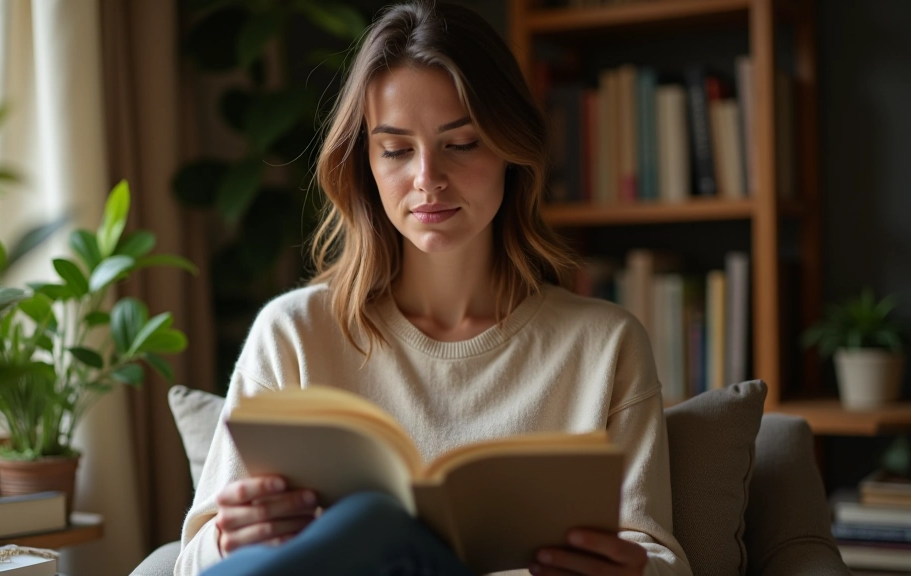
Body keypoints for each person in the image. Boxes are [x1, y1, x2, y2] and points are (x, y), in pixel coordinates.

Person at [176, 2, 692, 575]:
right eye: (396, 150)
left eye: (462, 143)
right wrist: (229, 539)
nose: (427, 179)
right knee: (373, 525)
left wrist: (635, 570)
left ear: (510, 150)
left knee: (377, 522)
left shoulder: (604, 345)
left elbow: (659, 555)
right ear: (365, 164)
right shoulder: (294, 333)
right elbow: (191, 564)